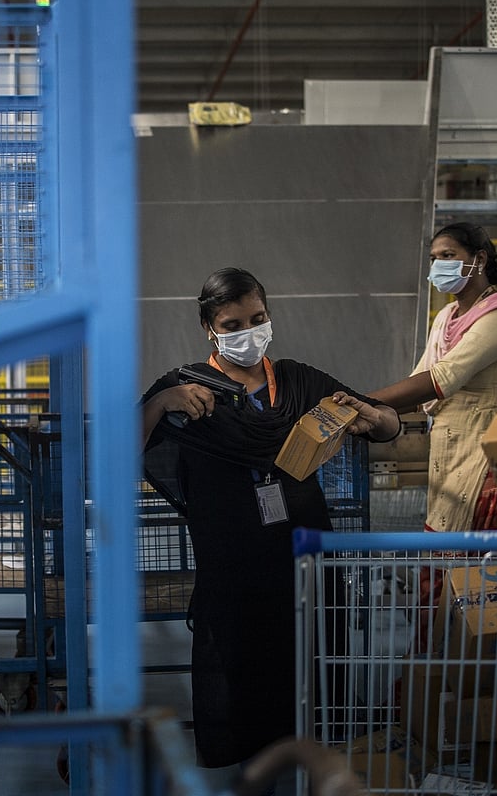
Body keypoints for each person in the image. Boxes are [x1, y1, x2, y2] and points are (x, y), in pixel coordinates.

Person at [140, 267, 400, 780]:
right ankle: (254, 774)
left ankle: (308, 762)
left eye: (258, 318)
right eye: (234, 324)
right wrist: (160, 403)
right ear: (209, 329)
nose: (249, 332)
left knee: (310, 663)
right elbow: (122, 446)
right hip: (233, 569)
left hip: (305, 560)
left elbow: (388, 424)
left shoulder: (300, 381)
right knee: (243, 674)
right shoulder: (186, 387)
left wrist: (372, 417)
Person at [364, 223, 497, 653]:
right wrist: (368, 412)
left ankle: (478, 691)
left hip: (490, 463)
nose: (437, 266)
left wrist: (363, 398)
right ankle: (434, 685)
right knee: (440, 579)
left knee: (479, 584)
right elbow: (419, 378)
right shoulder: (446, 317)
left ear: (479, 260)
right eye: (434, 258)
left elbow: (443, 378)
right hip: (451, 456)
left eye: (447, 255)